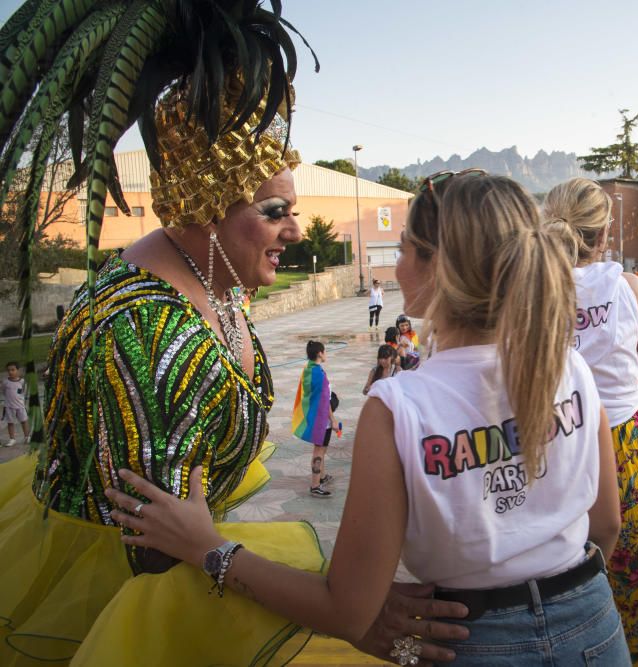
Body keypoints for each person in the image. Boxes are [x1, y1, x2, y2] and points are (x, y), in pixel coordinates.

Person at [0, 8, 466, 662]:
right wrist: (345, 610)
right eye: (274, 211)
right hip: (133, 613)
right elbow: (158, 555)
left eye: (294, 210)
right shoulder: (144, 331)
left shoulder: (214, 282)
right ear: (206, 204)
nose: (297, 230)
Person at [108, 172, 631, 665]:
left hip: (472, 642)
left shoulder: (400, 407)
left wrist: (209, 548)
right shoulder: (572, 369)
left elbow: (348, 608)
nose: (396, 262)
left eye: (403, 247)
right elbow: (605, 523)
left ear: (436, 268)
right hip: (595, 625)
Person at [543, 177, 638, 664]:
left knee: (565, 594)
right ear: (605, 233)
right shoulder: (628, 286)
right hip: (626, 450)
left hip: (557, 449)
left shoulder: (535, 288)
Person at [292, 341, 336, 497]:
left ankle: (322, 477)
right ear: (320, 353)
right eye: (325, 352)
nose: (326, 354)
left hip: (314, 415)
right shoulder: (319, 374)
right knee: (319, 450)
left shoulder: (308, 369)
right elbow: (325, 401)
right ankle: (315, 485)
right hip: (322, 419)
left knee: (321, 449)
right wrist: (334, 421)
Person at [2, 361, 29, 447]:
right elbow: (3, 391)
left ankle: (27, 437)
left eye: (13, 370)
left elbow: (23, 392)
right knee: (10, 422)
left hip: (20, 406)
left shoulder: (22, 382)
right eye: (9, 370)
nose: (10, 372)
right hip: (9, 406)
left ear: (18, 370)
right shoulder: (5, 382)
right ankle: (12, 439)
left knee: (24, 421)